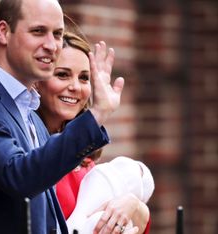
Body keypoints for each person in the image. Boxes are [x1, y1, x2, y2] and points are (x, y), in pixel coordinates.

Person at [0, 0, 124, 233]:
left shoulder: (29, 112)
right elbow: (20, 177)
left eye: (57, 34)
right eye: (38, 31)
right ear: (4, 32)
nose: (52, 45)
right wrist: (96, 114)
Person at [35, 30, 153, 234]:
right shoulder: (29, 152)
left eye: (83, 78)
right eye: (62, 74)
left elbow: (139, 225)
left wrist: (134, 206)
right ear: (37, 81)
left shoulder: (86, 163)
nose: (75, 87)